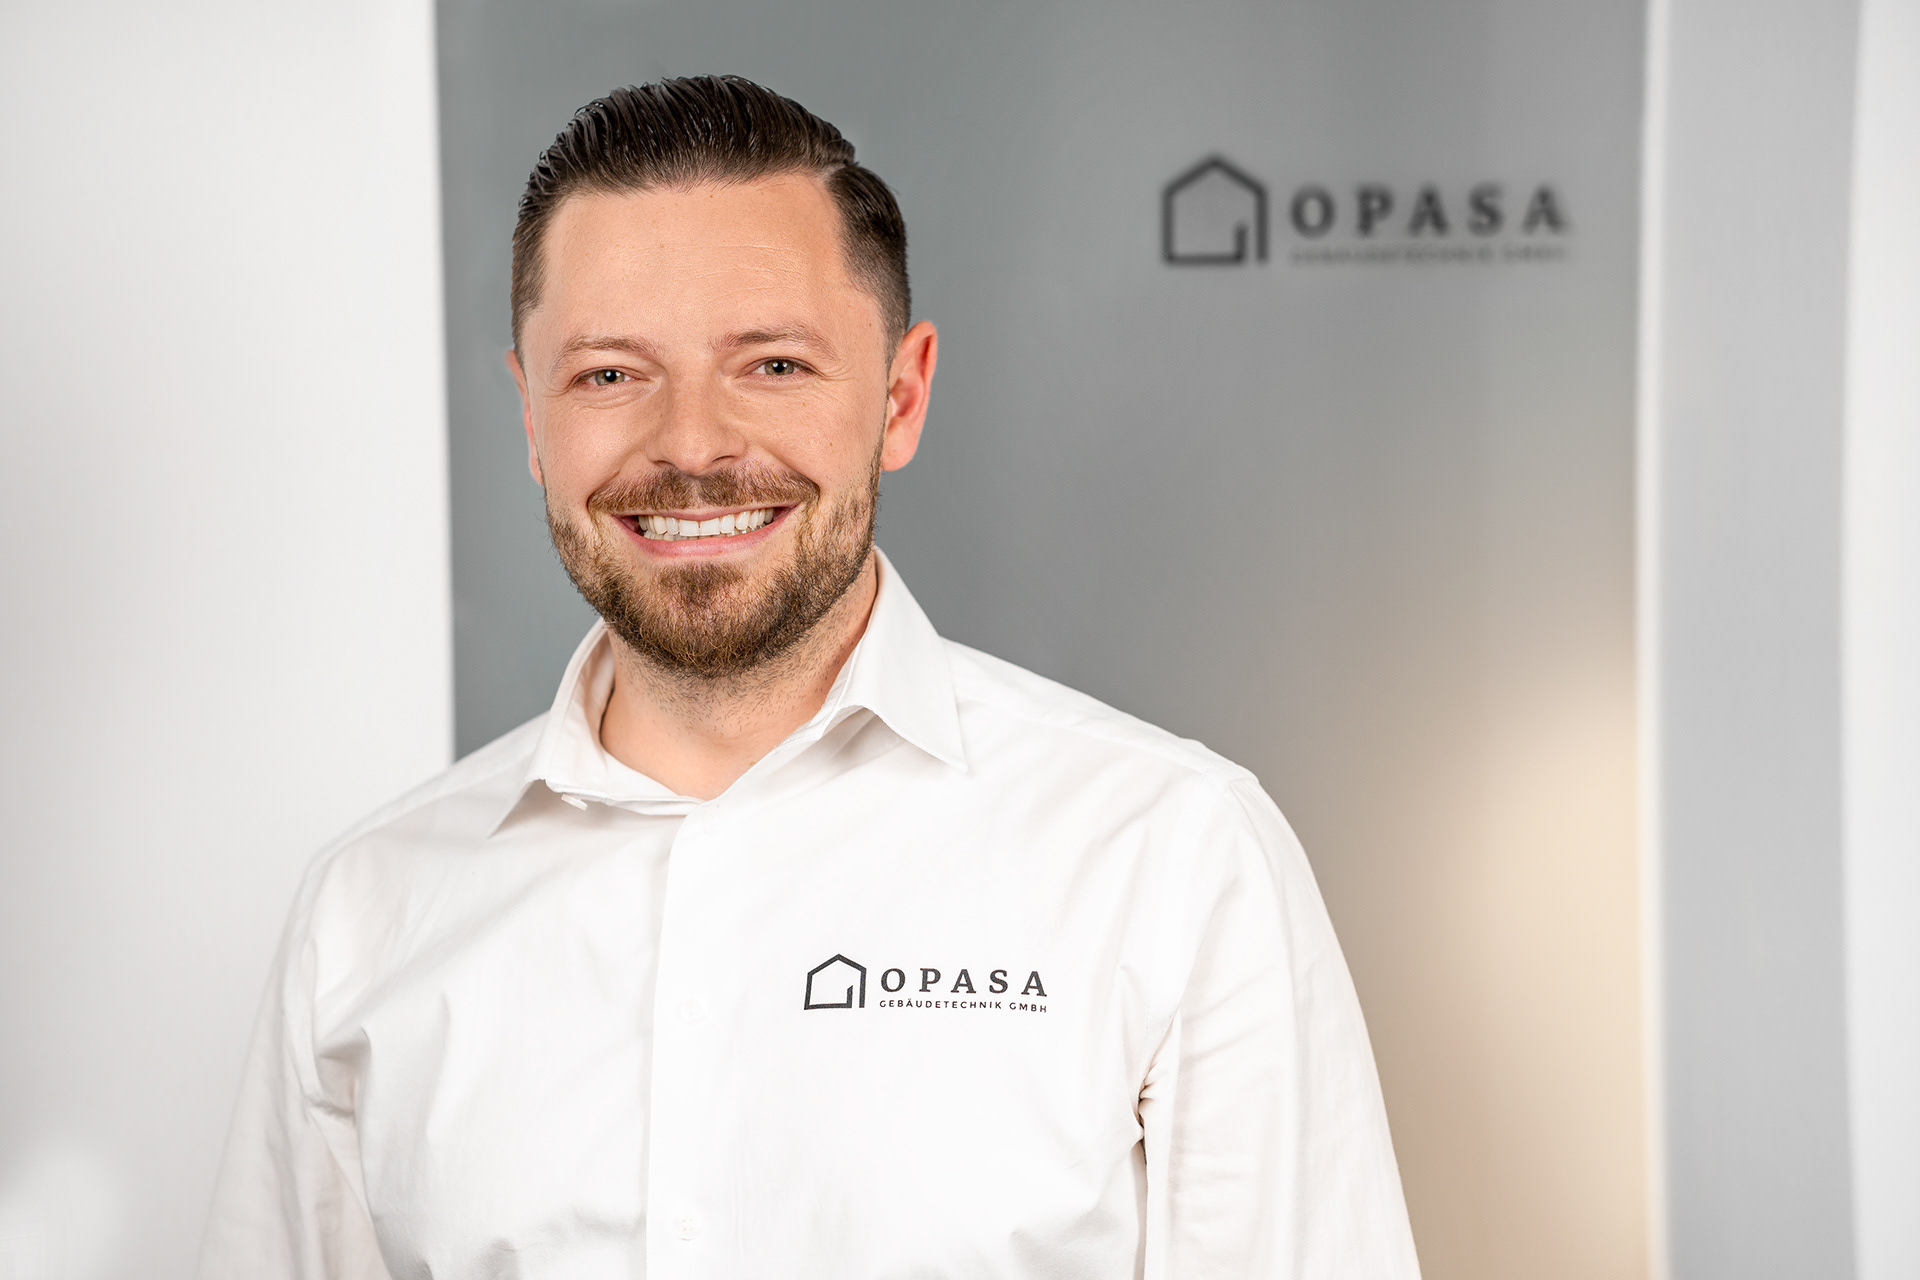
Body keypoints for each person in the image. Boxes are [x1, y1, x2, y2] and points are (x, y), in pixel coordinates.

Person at [198, 75, 1420, 1279]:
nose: (690, 445)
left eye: (773, 364)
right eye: (610, 373)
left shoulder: (1170, 856)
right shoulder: (368, 910)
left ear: (901, 397)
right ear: (530, 416)